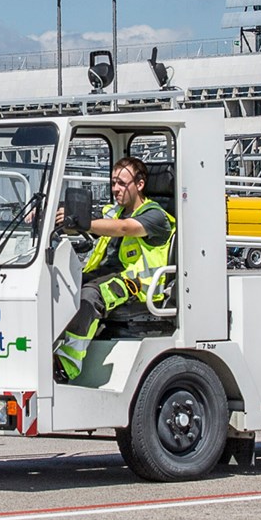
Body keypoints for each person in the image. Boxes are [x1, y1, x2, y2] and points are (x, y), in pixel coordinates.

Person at [52, 156, 173, 382]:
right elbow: (97, 223)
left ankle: (66, 365)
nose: (115, 189)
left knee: (90, 296)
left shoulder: (155, 215)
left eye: (121, 183)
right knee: (61, 285)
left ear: (139, 184)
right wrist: (55, 217)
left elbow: (125, 228)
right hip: (108, 274)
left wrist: (84, 222)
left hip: (137, 284)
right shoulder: (113, 212)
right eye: (113, 183)